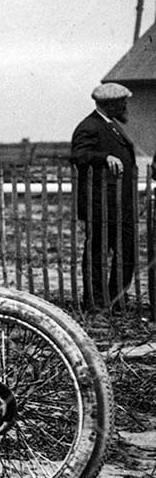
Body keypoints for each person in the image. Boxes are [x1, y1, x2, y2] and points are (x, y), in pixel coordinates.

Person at [71, 82, 137, 310]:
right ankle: (96, 302)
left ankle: (116, 299)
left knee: (127, 252)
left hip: (120, 204)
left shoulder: (112, 125)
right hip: (100, 205)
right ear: (111, 104)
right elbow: (79, 155)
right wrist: (104, 157)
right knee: (97, 255)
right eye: (123, 103)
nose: (126, 106)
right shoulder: (89, 126)